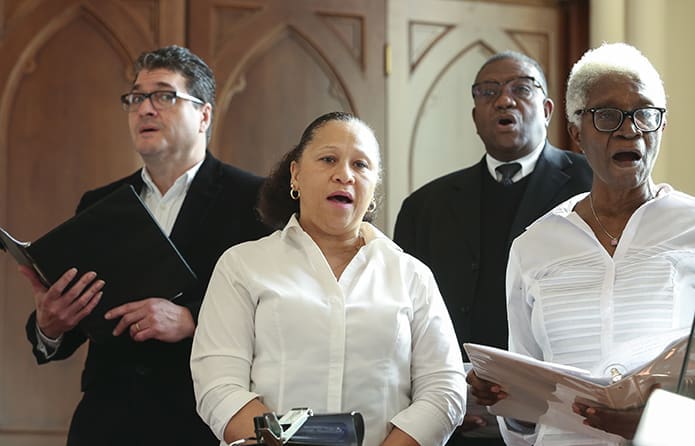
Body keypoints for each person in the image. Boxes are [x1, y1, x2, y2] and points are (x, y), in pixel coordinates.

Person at [19, 45, 270, 446]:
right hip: (106, 423)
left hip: (201, 422)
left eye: (164, 96)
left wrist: (191, 320)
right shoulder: (98, 203)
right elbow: (75, 326)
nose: (145, 109)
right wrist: (50, 326)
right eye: (136, 98)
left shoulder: (255, 200)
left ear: (204, 114)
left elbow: (278, 312)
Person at [190, 111, 466, 446]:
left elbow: (444, 388)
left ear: (374, 185)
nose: (344, 175)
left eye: (361, 165)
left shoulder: (411, 274)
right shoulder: (243, 265)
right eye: (328, 159)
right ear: (295, 174)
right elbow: (218, 384)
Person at [468, 42, 695, 445]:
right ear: (576, 132)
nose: (629, 129)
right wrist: (507, 402)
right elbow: (525, 411)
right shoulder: (534, 246)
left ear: (661, 125)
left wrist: (657, 421)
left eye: (644, 113)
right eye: (607, 115)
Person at [393, 51, 592, 445]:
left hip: (558, 420)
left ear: (548, 108)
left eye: (521, 88)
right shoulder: (425, 207)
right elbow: (400, 321)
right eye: (489, 92)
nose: (504, 100)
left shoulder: (591, 187)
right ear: (475, 115)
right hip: (453, 418)